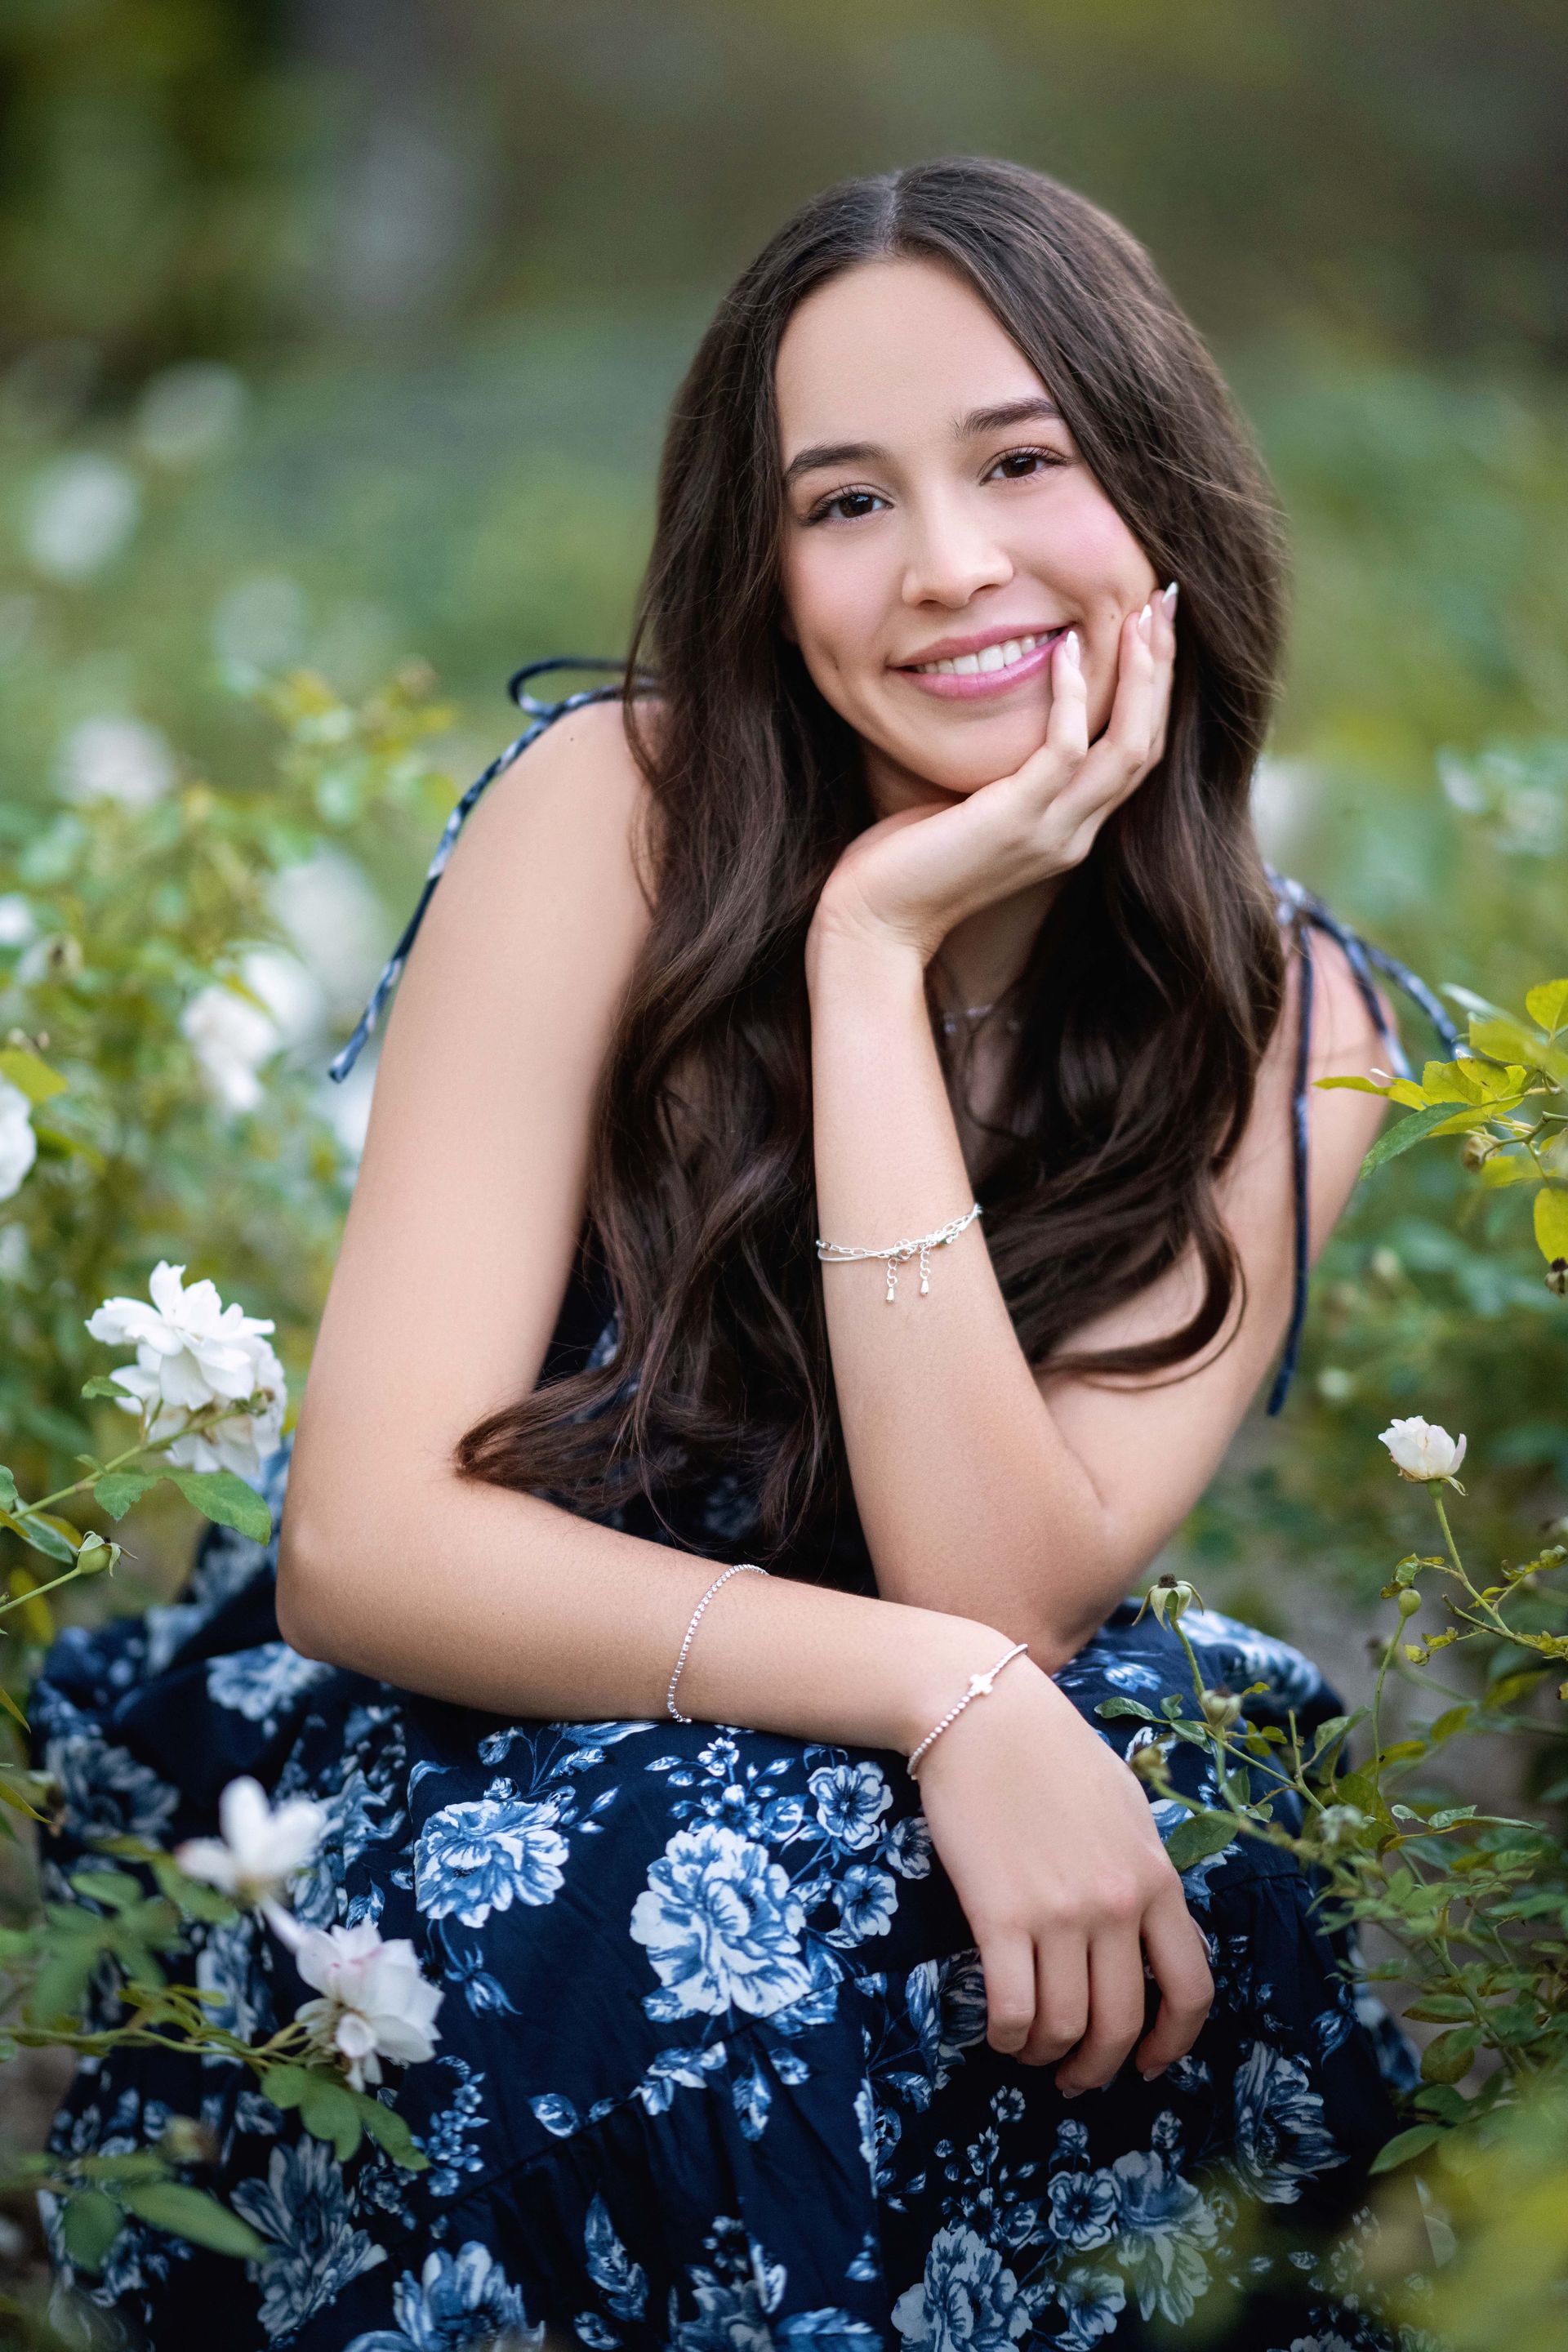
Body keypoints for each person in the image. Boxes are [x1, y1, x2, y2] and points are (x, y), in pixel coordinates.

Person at [34, 158, 1443, 2349]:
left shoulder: (1289, 1022)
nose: (952, 565)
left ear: (1159, 486)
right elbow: (368, 1543)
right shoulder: (612, 813)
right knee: (704, 1895)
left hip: (951, 1706)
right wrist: (858, 936)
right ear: (762, 567)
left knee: (1199, 1847)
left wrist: (875, 986)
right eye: (846, 502)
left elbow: (1006, 1581)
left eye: (1023, 459)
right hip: (492, 1694)